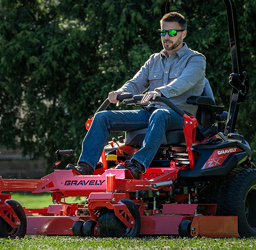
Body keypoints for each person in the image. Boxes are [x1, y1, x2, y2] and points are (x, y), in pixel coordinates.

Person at [66, 12, 206, 179]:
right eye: (163, 32)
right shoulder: (154, 60)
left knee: (160, 114)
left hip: (180, 114)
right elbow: (136, 83)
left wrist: (159, 92)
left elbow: (184, 82)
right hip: (151, 113)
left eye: (172, 33)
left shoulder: (196, 59)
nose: (166, 37)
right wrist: (121, 92)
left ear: (184, 34)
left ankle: (137, 165)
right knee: (102, 117)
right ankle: (85, 167)